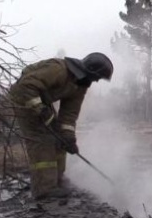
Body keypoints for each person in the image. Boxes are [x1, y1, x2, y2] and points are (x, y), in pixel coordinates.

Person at [9, 53, 113, 200]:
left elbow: (69, 114)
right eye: (98, 77)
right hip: (24, 100)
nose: (96, 81)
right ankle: (44, 189)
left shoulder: (80, 85)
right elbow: (26, 85)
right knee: (42, 141)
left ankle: (57, 180)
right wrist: (40, 109)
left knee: (59, 142)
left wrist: (69, 138)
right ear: (90, 71)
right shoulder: (59, 70)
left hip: (43, 103)